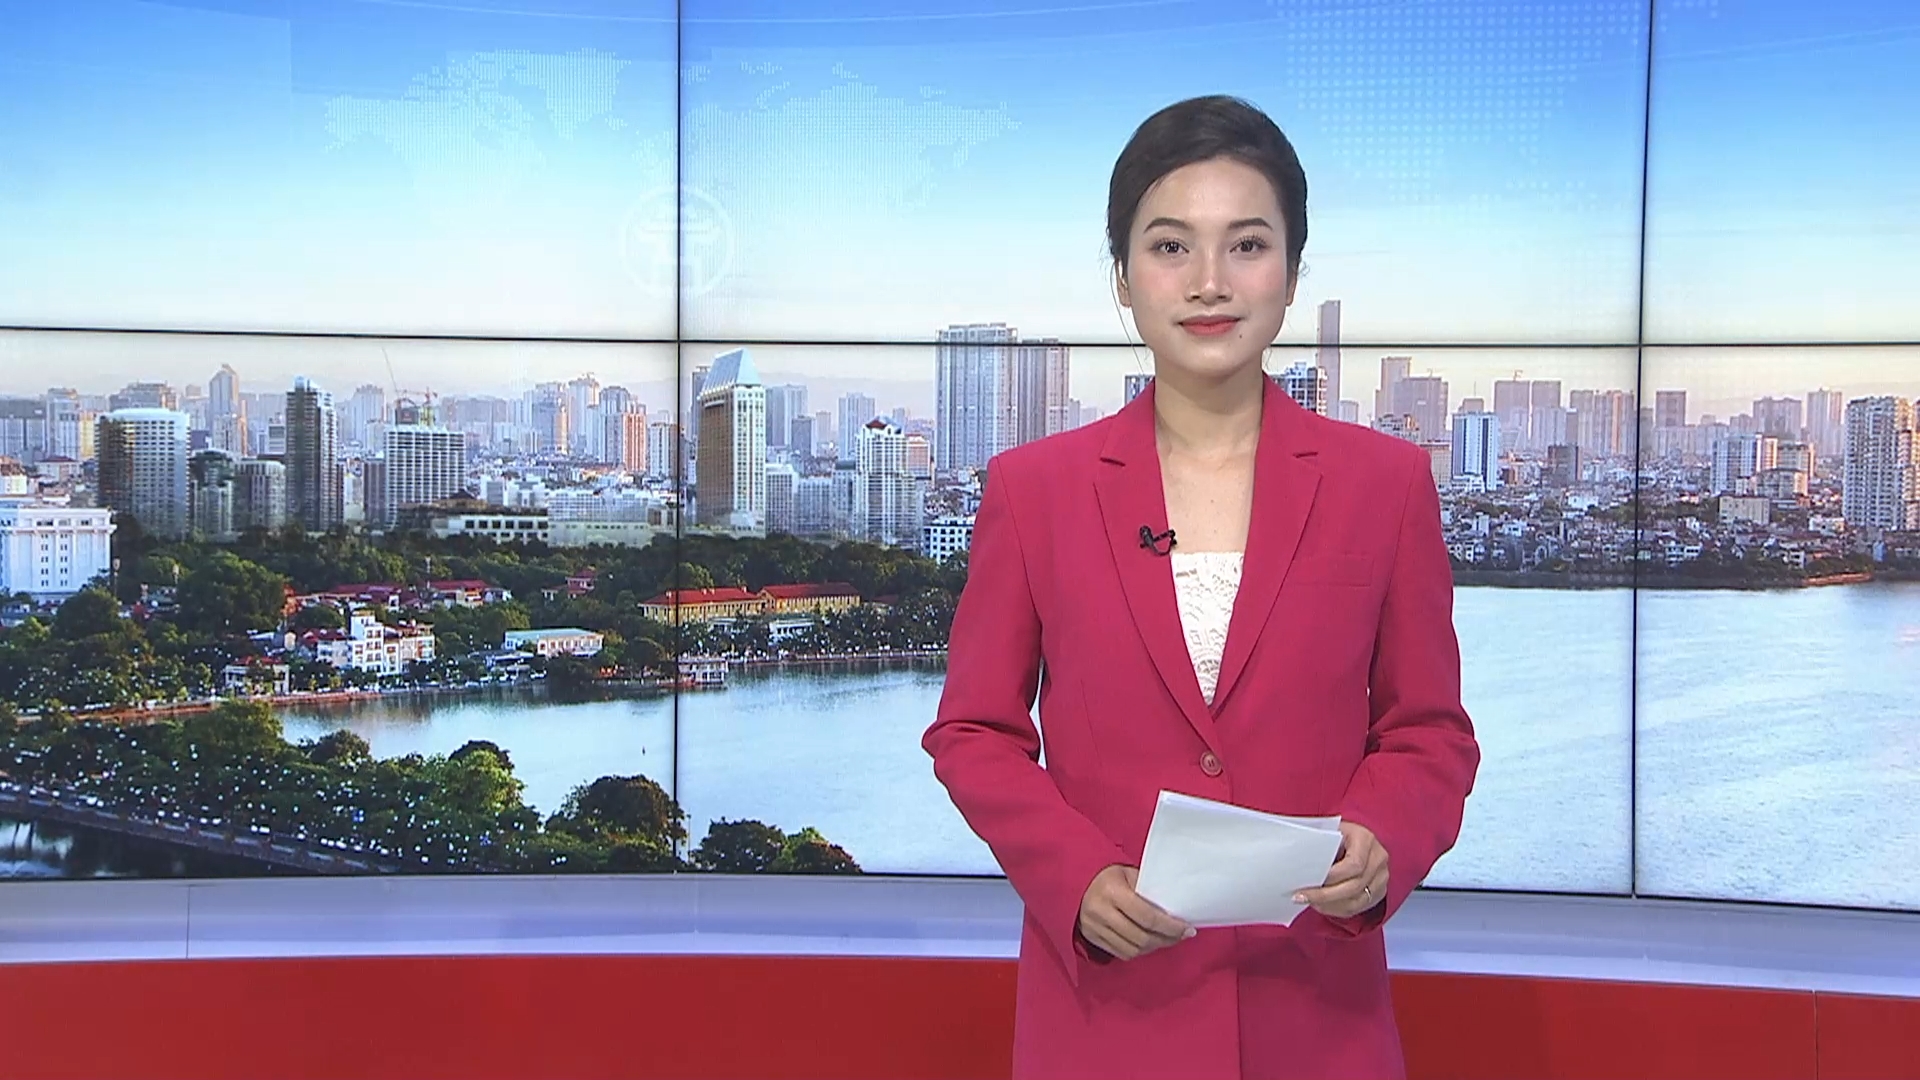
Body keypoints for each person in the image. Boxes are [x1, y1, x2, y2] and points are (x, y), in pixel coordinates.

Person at [922, 95, 1481, 1079]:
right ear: (1123, 277)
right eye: (1171, 246)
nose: (1210, 281)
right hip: (1108, 1015)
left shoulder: (1386, 485)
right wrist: (1075, 877)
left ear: (1292, 273)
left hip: (1317, 1013)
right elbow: (974, 730)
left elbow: (1429, 732)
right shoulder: (1034, 490)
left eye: (1248, 245)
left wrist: (1384, 838)